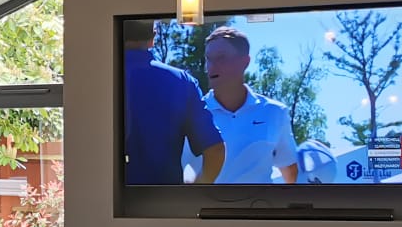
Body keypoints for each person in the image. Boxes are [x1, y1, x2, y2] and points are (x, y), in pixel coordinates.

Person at [187, 25, 299, 184]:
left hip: (259, 201)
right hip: (206, 201)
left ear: (245, 62)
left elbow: (290, 172)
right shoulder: (192, 114)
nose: (212, 66)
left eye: (221, 57)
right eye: (208, 59)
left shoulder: (275, 112)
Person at [123, 23, 223, 185]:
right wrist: (196, 192)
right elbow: (216, 150)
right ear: (152, 38)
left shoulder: (93, 78)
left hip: (98, 196)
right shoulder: (181, 82)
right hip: (163, 197)